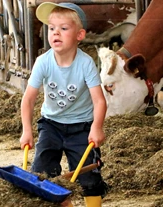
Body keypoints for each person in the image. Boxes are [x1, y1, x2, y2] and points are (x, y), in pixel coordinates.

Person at [19, 2, 108, 207]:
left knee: (89, 177)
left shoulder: (86, 63)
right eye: (51, 28)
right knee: (41, 174)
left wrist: (96, 127)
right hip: (51, 125)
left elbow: (99, 100)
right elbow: (29, 99)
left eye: (63, 28)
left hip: (82, 127)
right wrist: (27, 131)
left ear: (79, 35)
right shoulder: (43, 62)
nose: (55, 33)